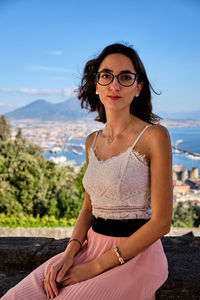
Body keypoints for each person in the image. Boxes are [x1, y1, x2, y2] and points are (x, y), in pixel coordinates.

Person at [1, 43, 173, 300]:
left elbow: (161, 222)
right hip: (89, 247)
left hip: (136, 256)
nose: (114, 85)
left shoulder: (154, 136)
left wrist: (95, 267)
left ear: (138, 87)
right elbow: (88, 210)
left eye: (125, 77)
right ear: (97, 85)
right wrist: (70, 254)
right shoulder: (91, 141)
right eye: (106, 76)